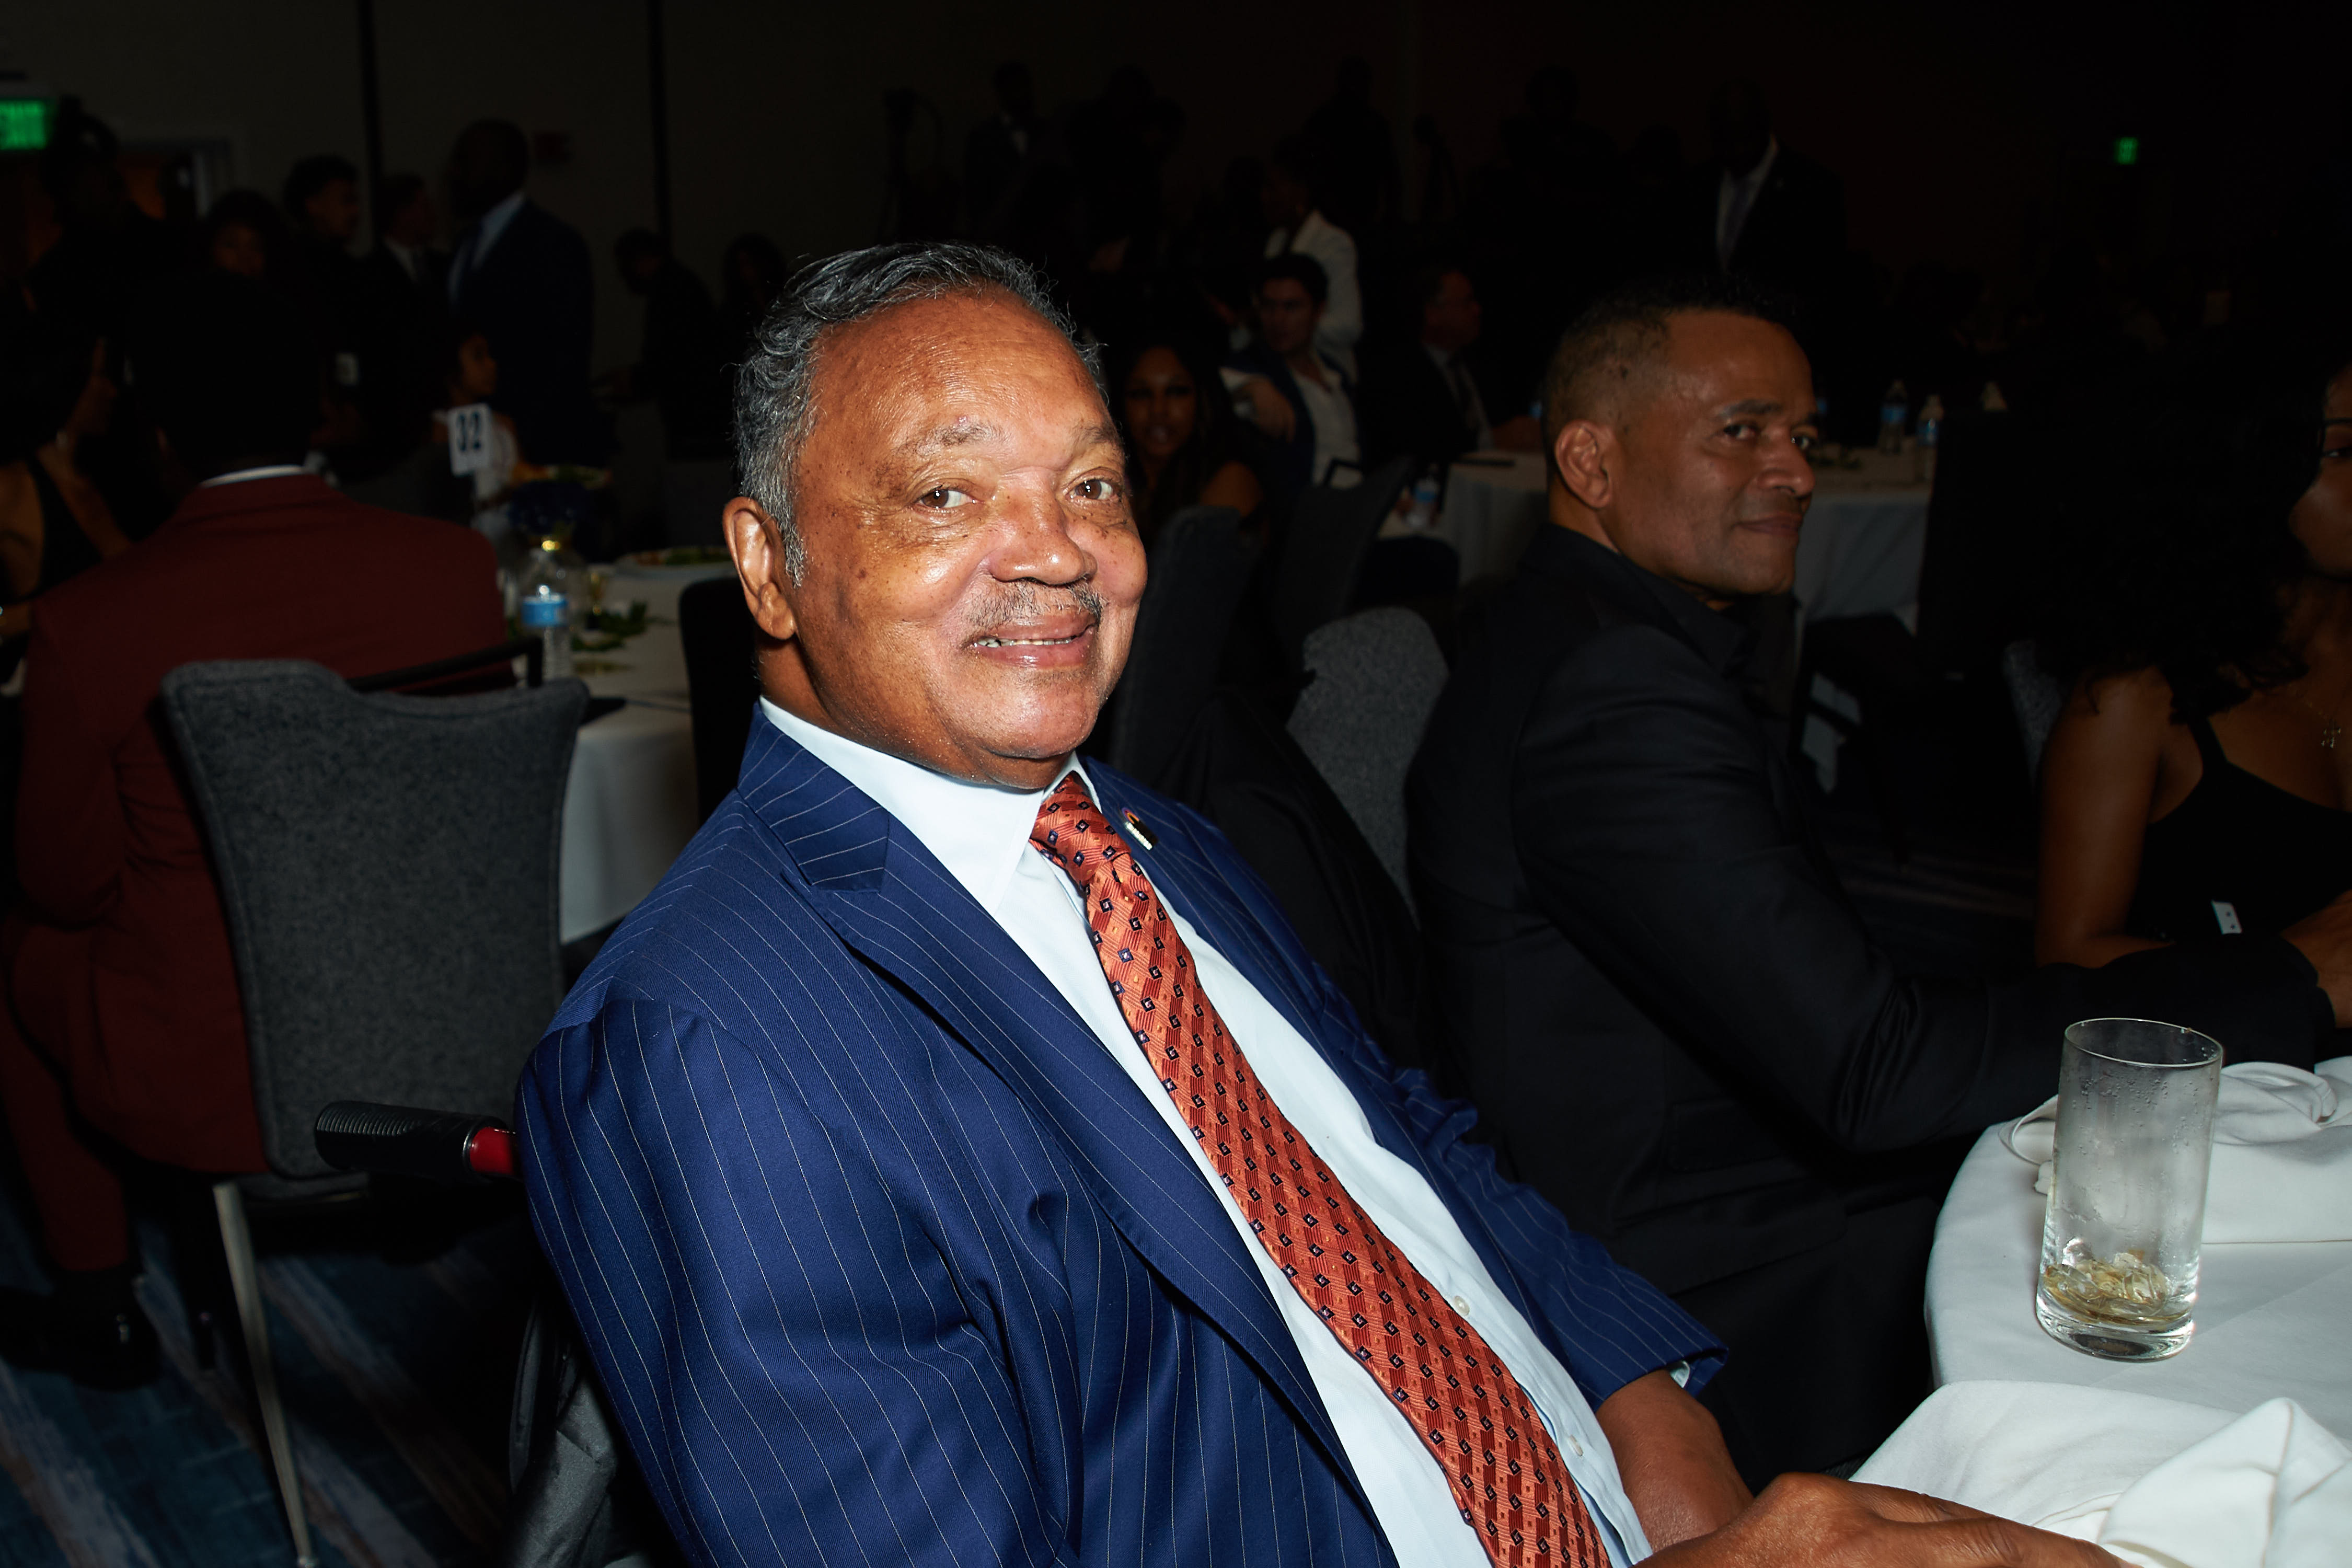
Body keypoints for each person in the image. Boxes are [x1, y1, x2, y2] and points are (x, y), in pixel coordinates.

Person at [521, 241, 2120, 1568]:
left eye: (1091, 487)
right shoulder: (709, 1052)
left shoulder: (1133, 828)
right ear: (772, 561)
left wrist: (1630, 1376)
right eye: (948, 499)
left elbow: (1395, 1132)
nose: (1059, 556)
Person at [1406, 273, 2352, 1485]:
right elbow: (1871, 1072)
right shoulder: (1615, 689)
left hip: (1691, 1169)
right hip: (1689, 1273)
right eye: (1739, 431)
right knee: (2201, 1347)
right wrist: (2292, 975)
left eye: (1800, 435)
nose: (1795, 471)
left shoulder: (1594, 633)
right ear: (1588, 459)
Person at [0, 273, 505, 1388]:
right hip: (454, 1031)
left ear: (160, 433)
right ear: (319, 412)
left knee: (15, 944)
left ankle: (97, 1297)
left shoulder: (89, 624)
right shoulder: (457, 572)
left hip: (224, 1083)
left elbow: (68, 888)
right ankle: (409, 1189)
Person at [2036, 351, 2352, 964]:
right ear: (2251, 469)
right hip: (2225, 1050)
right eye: (2343, 453)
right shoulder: (2141, 696)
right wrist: (2296, 973)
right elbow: (2069, 955)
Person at [443, 119, 606, 464]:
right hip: (472, 441)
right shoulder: (464, 244)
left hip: (537, 444)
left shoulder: (554, 243)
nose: (454, 173)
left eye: (465, 161)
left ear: (502, 168)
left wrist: (521, 437)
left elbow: (566, 355)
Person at [0, 322, 131, 649]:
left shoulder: (111, 479)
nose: (112, 390)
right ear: (64, 382)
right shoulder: (12, 489)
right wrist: (46, 611)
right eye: (99, 375)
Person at [1357, 264, 1543, 470]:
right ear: (1433, 313)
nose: (1477, 310)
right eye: (1466, 303)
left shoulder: (1481, 365)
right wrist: (1490, 441)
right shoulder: (1398, 375)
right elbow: (1420, 449)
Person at [1690, 81, 1844, 297]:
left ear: (1763, 122)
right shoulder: (1696, 185)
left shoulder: (1812, 188)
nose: (1735, 142)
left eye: (1742, 128)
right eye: (1724, 130)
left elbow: (1822, 282)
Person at [1226, 252, 1359, 498]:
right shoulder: (1252, 367)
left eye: (1291, 307)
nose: (1278, 320)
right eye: (1268, 306)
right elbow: (1212, 385)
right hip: (1311, 510)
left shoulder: (1335, 372)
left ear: (1319, 310)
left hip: (1361, 496)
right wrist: (1251, 386)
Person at [1115, 339, 1261, 544]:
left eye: (1176, 392)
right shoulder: (1112, 480)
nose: (1158, 410)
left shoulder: (1230, 481)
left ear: (1202, 399)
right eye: (1141, 394)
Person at [605, 228, 732, 460]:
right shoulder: (676, 286)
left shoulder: (673, 291)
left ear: (641, 258)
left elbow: (678, 360)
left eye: (626, 265)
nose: (624, 275)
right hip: (697, 413)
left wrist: (637, 380)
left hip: (697, 416)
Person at [1262, 137, 1363, 376]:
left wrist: (1290, 328)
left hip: (1327, 371)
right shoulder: (1275, 242)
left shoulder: (1332, 243)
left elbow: (1349, 326)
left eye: (1272, 188)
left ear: (1300, 189)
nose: (1264, 197)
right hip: (1282, 370)